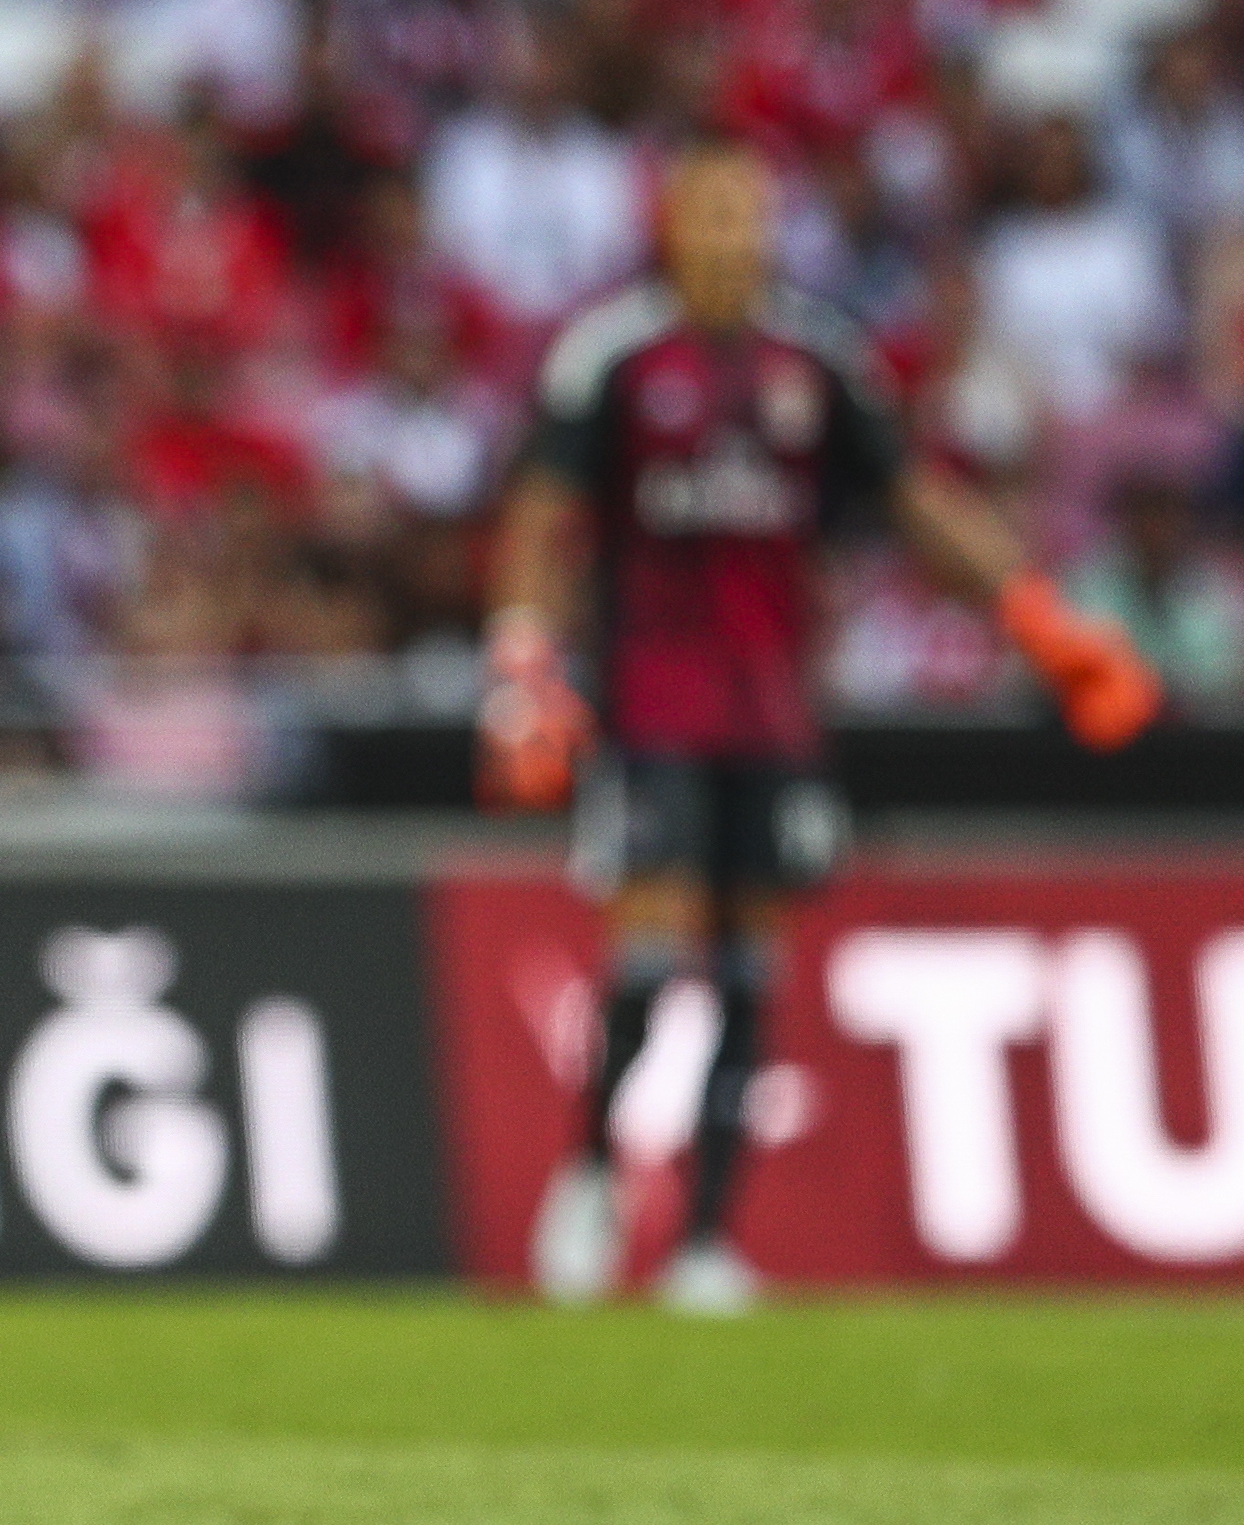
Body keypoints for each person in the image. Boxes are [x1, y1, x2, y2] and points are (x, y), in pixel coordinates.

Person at [483, 145, 1160, 1315]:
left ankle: (704, 1243)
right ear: (671, 227)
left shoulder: (819, 360)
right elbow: (543, 513)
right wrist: (523, 663)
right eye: (712, 216)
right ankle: (593, 1173)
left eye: (751, 216)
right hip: (651, 702)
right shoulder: (615, 356)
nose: (733, 238)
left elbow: (914, 501)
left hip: (777, 708)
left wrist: (1037, 616)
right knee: (647, 959)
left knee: (749, 972)